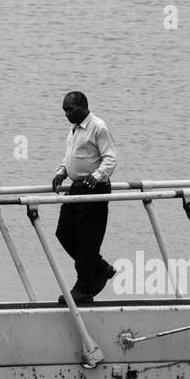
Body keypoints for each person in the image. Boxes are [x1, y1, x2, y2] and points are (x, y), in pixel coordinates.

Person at [51, 91, 117, 305]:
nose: (66, 114)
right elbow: (70, 157)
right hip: (76, 188)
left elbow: (110, 158)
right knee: (64, 233)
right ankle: (100, 268)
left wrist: (96, 176)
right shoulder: (74, 130)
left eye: (70, 110)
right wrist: (61, 172)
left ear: (83, 106)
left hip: (94, 190)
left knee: (89, 240)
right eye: (64, 110)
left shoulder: (98, 127)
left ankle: (84, 287)